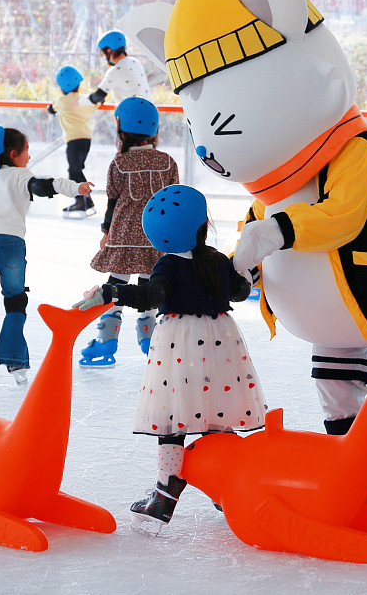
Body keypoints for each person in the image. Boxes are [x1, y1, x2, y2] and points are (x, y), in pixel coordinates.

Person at [75, 184, 266, 534]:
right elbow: (239, 291)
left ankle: (166, 489)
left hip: (179, 346)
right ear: (202, 225)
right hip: (220, 340)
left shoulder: (167, 264)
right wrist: (249, 271)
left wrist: (110, 291)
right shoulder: (217, 260)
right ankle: (223, 483)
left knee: (174, 418)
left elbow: (151, 295)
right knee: (216, 411)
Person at [0, 125, 92, 385]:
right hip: (10, 243)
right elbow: (45, 185)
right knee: (15, 301)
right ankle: (13, 357)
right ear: (13, 154)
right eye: (26, 151)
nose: (29, 157)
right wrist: (75, 188)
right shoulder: (20, 175)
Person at [78, 97, 179, 367]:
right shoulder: (168, 163)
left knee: (116, 285)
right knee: (147, 288)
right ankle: (150, 344)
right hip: (156, 237)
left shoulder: (119, 164)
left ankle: (106, 341)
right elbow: (174, 201)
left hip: (123, 237)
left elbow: (112, 202)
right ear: (154, 130)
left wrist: (106, 232)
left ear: (122, 130)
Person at [47, 65, 98, 218]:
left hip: (73, 140)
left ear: (62, 87)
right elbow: (96, 103)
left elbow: (51, 109)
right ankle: (87, 201)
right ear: (78, 84)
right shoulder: (83, 101)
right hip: (86, 139)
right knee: (77, 170)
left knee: (74, 171)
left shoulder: (61, 101)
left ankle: (81, 201)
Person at [89, 30, 152, 109]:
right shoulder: (135, 61)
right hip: (150, 111)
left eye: (103, 52)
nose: (102, 56)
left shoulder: (115, 71)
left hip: (132, 115)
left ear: (109, 51)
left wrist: (78, 101)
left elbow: (98, 96)